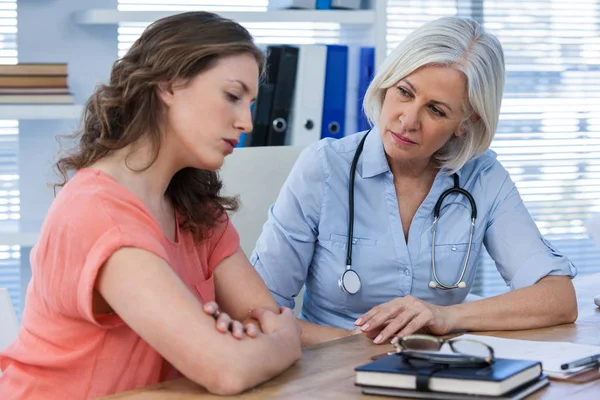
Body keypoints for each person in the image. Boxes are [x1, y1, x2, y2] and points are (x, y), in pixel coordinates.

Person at [0, 11, 301, 399]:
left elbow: (263, 321)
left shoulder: (195, 209)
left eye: (251, 103)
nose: (246, 121)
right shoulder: (98, 214)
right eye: (231, 96)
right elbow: (228, 369)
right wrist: (282, 343)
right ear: (169, 85)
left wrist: (263, 342)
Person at [251, 16, 578, 347]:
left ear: (466, 122)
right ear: (386, 83)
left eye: (435, 110)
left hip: (433, 367)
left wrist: (445, 316)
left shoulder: (483, 177)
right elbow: (259, 309)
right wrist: (361, 343)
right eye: (404, 92)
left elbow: (558, 298)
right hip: (329, 367)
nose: (407, 121)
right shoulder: (323, 167)